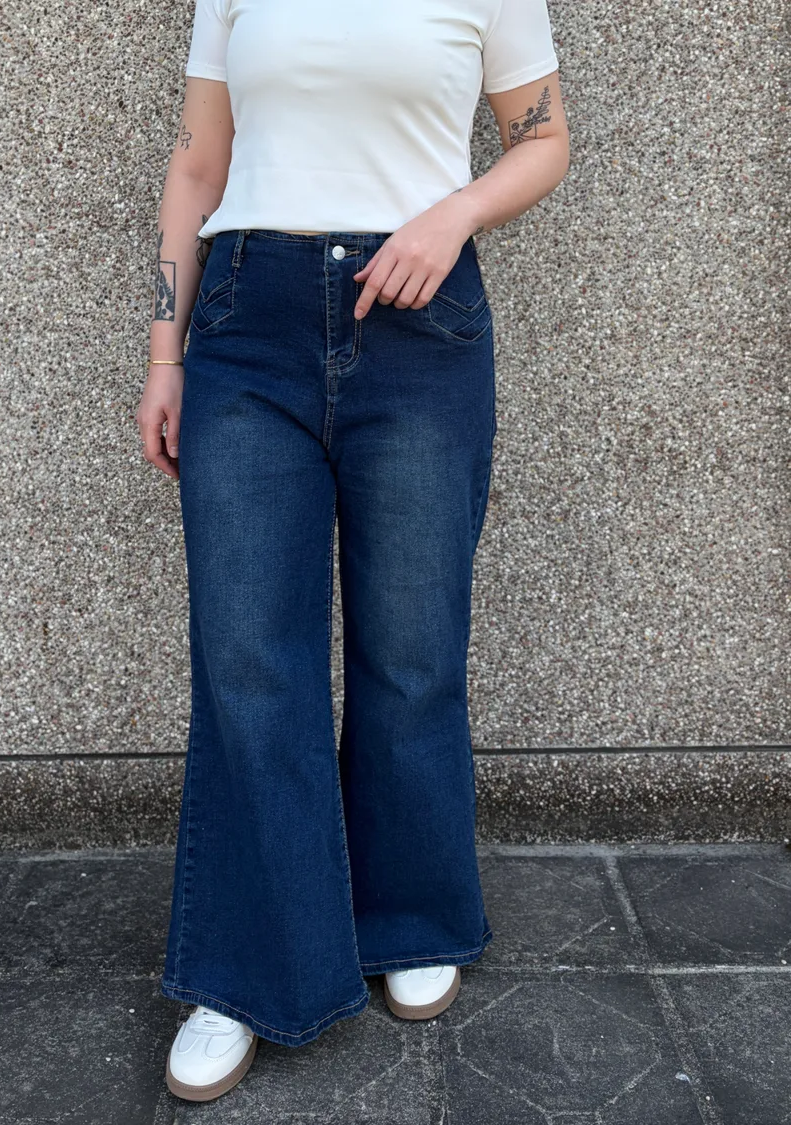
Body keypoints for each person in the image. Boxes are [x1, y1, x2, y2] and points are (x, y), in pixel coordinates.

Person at [135, 0, 569, 1103]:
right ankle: (243, 970)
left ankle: (409, 915)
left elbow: (545, 140)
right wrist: (165, 358)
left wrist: (454, 215)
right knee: (247, 660)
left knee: (412, 650)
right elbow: (197, 166)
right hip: (246, 326)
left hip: (420, 326)